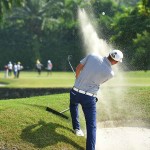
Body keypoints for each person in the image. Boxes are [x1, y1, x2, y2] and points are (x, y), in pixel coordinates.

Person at [69, 50, 123, 150]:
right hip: (89, 97)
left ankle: (77, 128)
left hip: (75, 92)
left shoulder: (92, 55)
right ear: (115, 62)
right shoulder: (110, 73)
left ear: (109, 54)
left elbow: (78, 68)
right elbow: (98, 82)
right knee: (91, 125)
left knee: (73, 104)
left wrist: (77, 78)